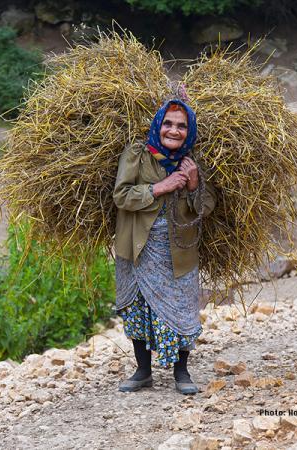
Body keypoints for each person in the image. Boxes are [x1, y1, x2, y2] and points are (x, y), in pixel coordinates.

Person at [112, 98, 217, 394]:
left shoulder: (193, 162)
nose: (174, 130)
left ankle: (181, 373)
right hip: (137, 248)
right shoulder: (137, 154)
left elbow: (206, 207)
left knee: (182, 308)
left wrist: (194, 184)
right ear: (158, 124)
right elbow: (121, 196)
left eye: (182, 126)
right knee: (138, 308)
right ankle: (142, 371)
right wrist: (161, 187)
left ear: (190, 130)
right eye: (168, 123)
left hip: (178, 251)